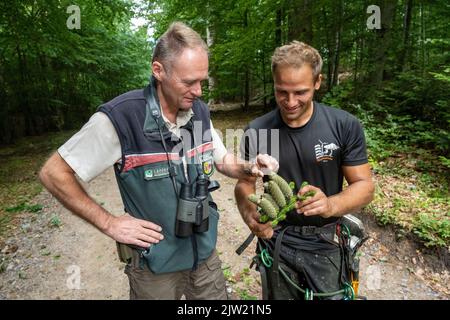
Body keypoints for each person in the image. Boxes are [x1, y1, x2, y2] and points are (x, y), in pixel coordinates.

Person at [39, 22, 278, 300]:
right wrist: (108, 222)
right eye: (189, 82)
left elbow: (222, 159)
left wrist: (249, 167)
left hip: (204, 258)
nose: (199, 91)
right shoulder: (121, 117)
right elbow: (53, 172)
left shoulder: (198, 111)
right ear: (158, 71)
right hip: (155, 268)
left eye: (202, 80)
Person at [234, 41, 374, 300]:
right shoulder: (257, 130)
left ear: (318, 82)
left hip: (327, 244)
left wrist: (330, 205)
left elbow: (365, 186)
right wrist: (251, 215)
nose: (290, 102)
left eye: (300, 92)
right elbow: (244, 184)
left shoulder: (344, 125)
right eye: (281, 92)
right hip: (277, 241)